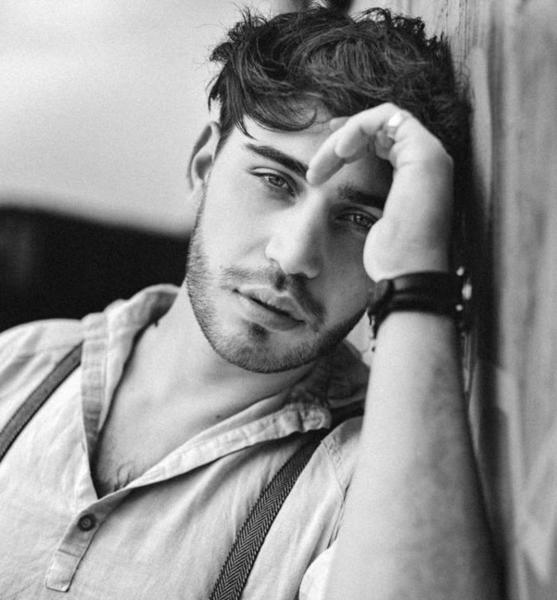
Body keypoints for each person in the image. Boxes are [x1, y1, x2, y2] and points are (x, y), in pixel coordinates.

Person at [0, 6, 500, 600]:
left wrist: (415, 279)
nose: (294, 255)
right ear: (203, 167)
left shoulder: (367, 483)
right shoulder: (17, 365)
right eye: (274, 181)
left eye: (359, 218)